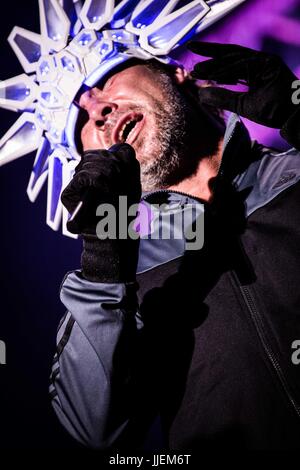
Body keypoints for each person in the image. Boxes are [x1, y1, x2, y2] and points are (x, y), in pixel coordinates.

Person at [49, 42, 300, 451]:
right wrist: (102, 263)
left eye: (105, 77)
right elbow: (94, 431)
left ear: (175, 73)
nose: (98, 109)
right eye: (80, 118)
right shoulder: (118, 281)